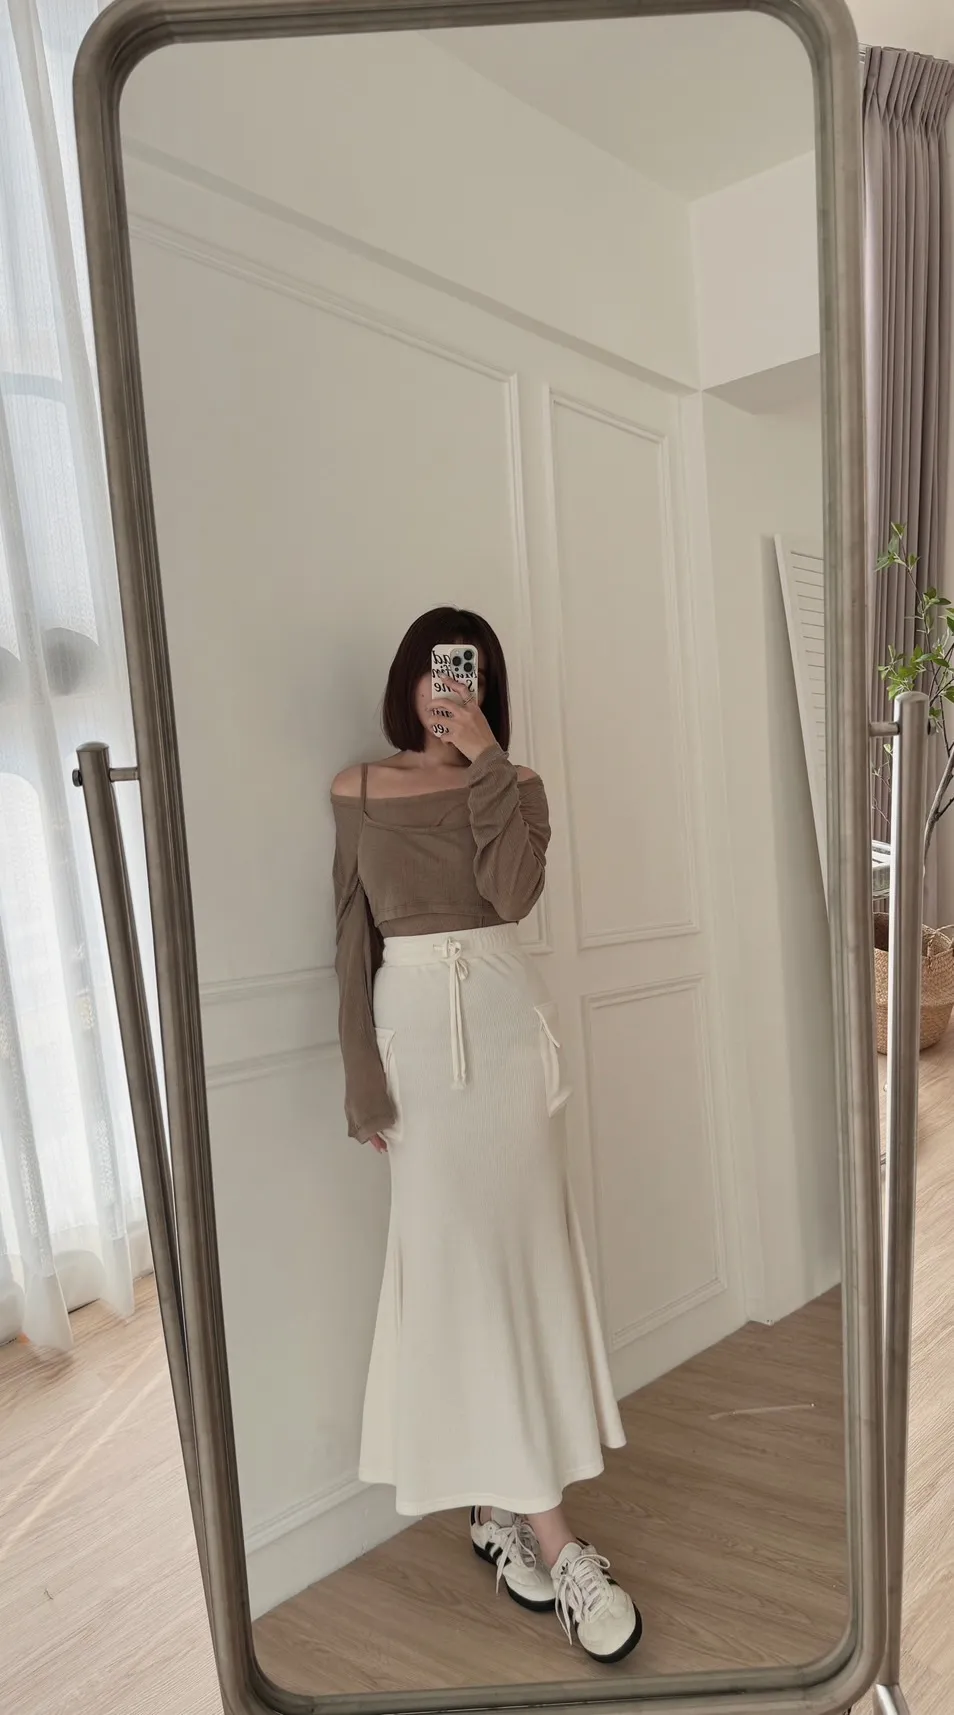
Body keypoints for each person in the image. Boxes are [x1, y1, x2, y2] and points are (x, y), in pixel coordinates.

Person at [331, 606, 641, 1664]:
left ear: (483, 684)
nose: (444, 685)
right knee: (451, 1268)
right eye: (431, 668)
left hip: (508, 1037)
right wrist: (361, 1077)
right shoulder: (356, 788)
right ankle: (534, 1528)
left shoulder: (518, 785)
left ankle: (518, 1518)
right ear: (406, 679)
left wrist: (489, 764)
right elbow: (349, 935)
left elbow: (513, 895)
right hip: (415, 1047)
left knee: (521, 1265)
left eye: (461, 670)